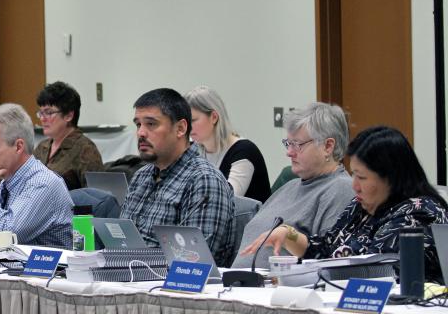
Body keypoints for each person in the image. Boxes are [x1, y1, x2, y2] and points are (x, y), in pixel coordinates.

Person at [243, 126, 448, 281]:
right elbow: (327, 249)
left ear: (391, 177)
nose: (355, 186)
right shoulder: (362, 206)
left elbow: (377, 271)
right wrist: (289, 234)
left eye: (362, 177)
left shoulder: (419, 213)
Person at [119, 88, 235, 266]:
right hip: (129, 278)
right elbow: (121, 246)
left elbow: (192, 263)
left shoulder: (204, 180)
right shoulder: (141, 176)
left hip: (175, 289)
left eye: (151, 124)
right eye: (138, 125)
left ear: (180, 128)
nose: (141, 133)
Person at [231, 102, 354, 268]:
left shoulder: (341, 189)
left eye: (297, 144)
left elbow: (329, 257)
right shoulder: (288, 186)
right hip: (236, 285)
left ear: (328, 146)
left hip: (279, 289)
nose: (289, 152)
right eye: (288, 143)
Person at [0, 103, 73, 248]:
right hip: (18, 267)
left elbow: (3, 239)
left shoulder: (43, 184)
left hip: (50, 270)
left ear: (18, 146)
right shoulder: (9, 180)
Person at [186, 85, 271, 202]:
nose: (187, 127)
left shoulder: (244, 151)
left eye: (193, 120)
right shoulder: (191, 149)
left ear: (214, 117)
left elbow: (226, 202)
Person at [33, 81, 104, 190]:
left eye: (48, 113)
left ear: (69, 115)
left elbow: (98, 197)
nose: (42, 118)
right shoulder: (42, 147)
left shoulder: (86, 149)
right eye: (41, 113)